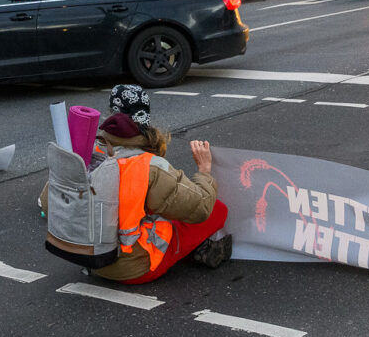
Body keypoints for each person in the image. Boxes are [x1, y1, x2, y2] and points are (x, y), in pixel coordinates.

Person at [43, 83, 231, 283]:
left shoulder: (84, 155)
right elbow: (201, 207)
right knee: (217, 210)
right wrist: (204, 170)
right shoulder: (149, 165)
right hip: (134, 268)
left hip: (88, 258)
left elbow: (48, 203)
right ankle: (200, 249)